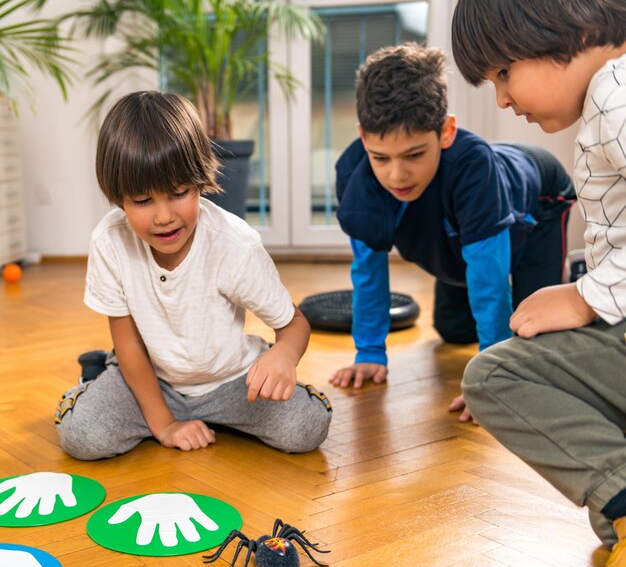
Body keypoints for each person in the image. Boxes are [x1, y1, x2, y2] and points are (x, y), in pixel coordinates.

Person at [451, 0, 626, 567]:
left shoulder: (615, 94)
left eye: (503, 74)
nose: (501, 99)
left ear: (563, 29)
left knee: (495, 375)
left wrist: (587, 295)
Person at [55, 91, 332, 460]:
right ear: (118, 196)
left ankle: (214, 404)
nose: (164, 216)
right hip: (150, 380)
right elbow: (130, 344)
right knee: (84, 436)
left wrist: (283, 356)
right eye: (142, 201)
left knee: (306, 428)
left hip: (231, 380)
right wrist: (165, 425)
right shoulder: (110, 242)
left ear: (200, 180)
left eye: (179, 193)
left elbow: (294, 323)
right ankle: (96, 375)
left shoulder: (235, 245)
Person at [329, 43, 575, 422]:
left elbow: (489, 279)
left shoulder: (472, 167)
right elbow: (368, 268)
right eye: (381, 157)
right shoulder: (354, 175)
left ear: (446, 132)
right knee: (455, 330)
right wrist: (370, 353)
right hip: (465, 229)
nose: (396, 175)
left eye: (413, 155)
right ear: (363, 138)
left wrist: (492, 378)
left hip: (539, 198)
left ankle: (576, 282)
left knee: (532, 343)